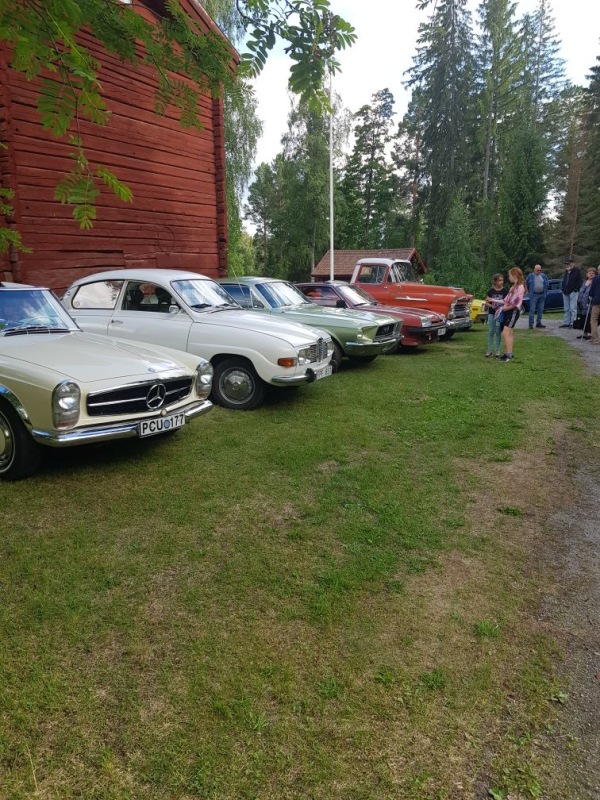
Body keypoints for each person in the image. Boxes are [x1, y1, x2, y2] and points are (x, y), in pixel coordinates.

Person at [496, 267, 526, 361]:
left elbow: (516, 304)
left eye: (509, 275)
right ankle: (508, 353)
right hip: (508, 311)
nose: (508, 277)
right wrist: (492, 300)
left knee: (506, 333)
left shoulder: (520, 287)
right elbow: (506, 300)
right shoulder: (513, 287)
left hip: (513, 312)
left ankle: (508, 356)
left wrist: (505, 308)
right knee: (508, 333)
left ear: (514, 275)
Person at [484, 273, 508, 357]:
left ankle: (497, 350)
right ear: (495, 281)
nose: (501, 282)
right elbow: (486, 302)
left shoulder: (505, 291)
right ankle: (489, 350)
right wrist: (492, 306)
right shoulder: (491, 291)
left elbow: (506, 302)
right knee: (491, 331)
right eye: (499, 280)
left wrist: (501, 308)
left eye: (502, 280)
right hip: (492, 313)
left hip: (500, 314)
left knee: (498, 331)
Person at [575, 267, 597, 339]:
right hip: (581, 303)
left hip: (589, 304)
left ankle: (590, 334)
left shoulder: (595, 282)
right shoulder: (584, 282)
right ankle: (584, 333)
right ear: (587, 274)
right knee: (583, 318)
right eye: (589, 273)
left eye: (593, 273)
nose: (591, 274)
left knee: (589, 319)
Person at [560, 257, 582, 328]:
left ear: (572, 264)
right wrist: (562, 289)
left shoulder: (577, 271)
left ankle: (573, 323)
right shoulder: (566, 271)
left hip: (573, 292)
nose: (567, 265)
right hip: (565, 291)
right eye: (566, 264)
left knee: (573, 308)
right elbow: (564, 281)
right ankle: (566, 322)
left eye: (568, 264)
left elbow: (580, 281)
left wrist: (576, 289)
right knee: (566, 308)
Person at [525, 264, 549, 329]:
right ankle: (531, 324)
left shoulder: (543, 276)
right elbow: (525, 284)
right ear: (534, 270)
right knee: (532, 310)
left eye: (540, 270)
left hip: (542, 295)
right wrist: (527, 291)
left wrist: (545, 291)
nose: (539, 271)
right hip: (534, 295)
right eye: (537, 270)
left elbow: (547, 283)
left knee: (540, 310)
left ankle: (539, 323)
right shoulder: (530, 276)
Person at [588, 269, 600, 345]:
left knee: (593, 320)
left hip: (597, 302)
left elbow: (591, 291)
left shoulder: (596, 278)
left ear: (598, 271)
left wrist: (591, 295)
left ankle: (595, 339)